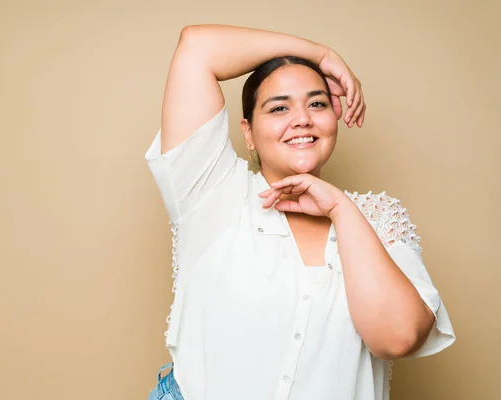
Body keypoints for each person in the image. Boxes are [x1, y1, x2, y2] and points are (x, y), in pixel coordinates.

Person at [144, 24, 455, 400]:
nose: (302, 119)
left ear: (334, 119)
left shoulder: (375, 216)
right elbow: (197, 47)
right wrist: (321, 55)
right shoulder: (211, 194)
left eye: (317, 103)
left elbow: (399, 338)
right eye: (279, 107)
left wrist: (342, 209)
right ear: (248, 132)